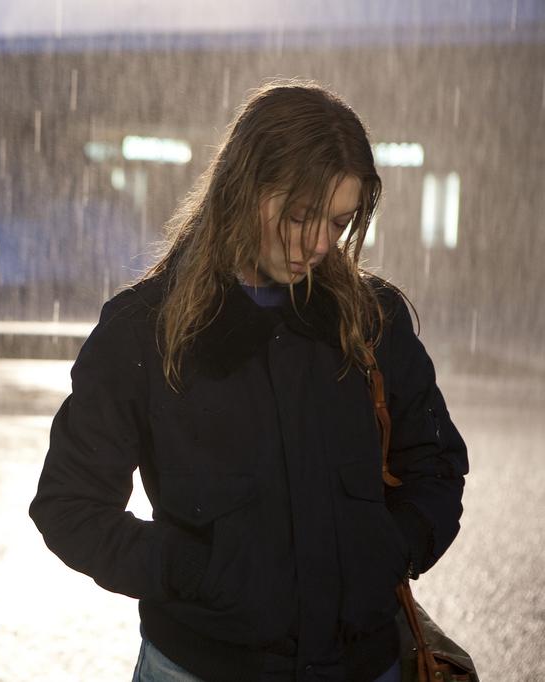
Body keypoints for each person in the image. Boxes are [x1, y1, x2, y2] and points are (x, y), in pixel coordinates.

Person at [28, 80, 468, 682]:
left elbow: (437, 466)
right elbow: (68, 506)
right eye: (300, 216)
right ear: (242, 189)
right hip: (199, 667)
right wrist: (195, 572)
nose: (319, 244)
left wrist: (382, 552)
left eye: (339, 222)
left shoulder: (373, 320)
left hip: (367, 665)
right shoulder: (144, 330)